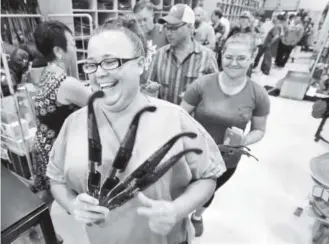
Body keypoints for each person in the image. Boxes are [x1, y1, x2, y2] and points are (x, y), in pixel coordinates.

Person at [46, 20, 226, 244]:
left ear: (140, 65)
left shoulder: (173, 119)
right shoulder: (74, 123)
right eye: (91, 64)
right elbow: (56, 180)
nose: (99, 73)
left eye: (111, 61)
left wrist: (177, 209)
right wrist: (72, 205)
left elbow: (208, 177)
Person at [180, 33, 270, 237]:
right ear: (221, 55)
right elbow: (181, 114)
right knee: (185, 188)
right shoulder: (201, 84)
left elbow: (260, 130)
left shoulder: (258, 94)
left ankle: (197, 215)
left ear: (252, 59)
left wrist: (243, 140)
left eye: (241, 58)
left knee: (209, 191)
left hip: (226, 160)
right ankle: (181, 217)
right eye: (229, 57)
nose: (234, 63)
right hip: (193, 153)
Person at [32, 21, 92, 200]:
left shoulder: (45, 74)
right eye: (73, 44)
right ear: (58, 51)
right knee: (64, 195)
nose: (75, 49)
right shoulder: (66, 84)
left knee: (49, 195)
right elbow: (98, 104)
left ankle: (41, 225)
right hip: (57, 152)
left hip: (43, 144)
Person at [147, 4, 218, 104]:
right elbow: (148, 86)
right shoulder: (159, 55)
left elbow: (215, 93)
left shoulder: (207, 57)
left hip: (192, 118)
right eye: (167, 27)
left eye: (174, 28)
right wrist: (151, 90)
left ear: (190, 27)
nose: (169, 33)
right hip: (165, 116)